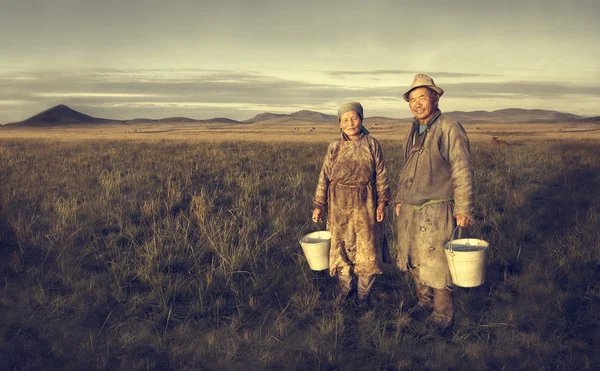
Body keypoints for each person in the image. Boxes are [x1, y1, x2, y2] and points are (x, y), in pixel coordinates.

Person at [395, 74, 474, 331]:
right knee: (415, 258)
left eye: (422, 97)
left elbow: (461, 169)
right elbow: (407, 168)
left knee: (438, 264)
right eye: (412, 99)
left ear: (435, 98)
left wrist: (462, 208)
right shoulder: (414, 128)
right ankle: (423, 303)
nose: (417, 104)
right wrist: (399, 199)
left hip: (438, 207)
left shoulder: (449, 127)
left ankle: (442, 316)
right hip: (411, 207)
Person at [312, 102, 391, 306]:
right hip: (338, 205)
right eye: (345, 120)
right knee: (340, 249)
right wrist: (319, 205)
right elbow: (324, 177)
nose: (350, 123)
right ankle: (346, 290)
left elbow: (381, 175)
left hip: (366, 203)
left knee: (367, 250)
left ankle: (364, 296)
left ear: (361, 119)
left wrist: (382, 202)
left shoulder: (372, 144)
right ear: (339, 124)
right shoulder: (334, 147)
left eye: (354, 118)